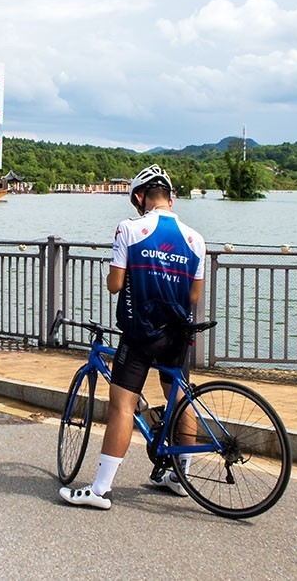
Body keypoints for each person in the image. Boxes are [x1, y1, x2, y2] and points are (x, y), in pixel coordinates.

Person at [59, 164, 206, 510]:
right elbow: (194, 295)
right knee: (180, 399)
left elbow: (114, 285)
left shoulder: (129, 229)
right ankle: (181, 477)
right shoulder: (196, 239)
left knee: (122, 405)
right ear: (170, 198)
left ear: (140, 197)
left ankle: (100, 490)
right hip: (178, 334)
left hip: (141, 332)